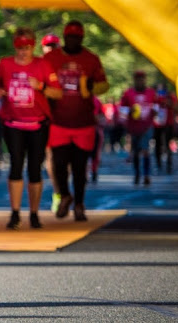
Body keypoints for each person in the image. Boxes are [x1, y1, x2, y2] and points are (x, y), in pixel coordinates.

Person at [0, 27, 62, 229]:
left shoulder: (43, 65)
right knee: (15, 165)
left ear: (33, 47)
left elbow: (57, 93)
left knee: (34, 168)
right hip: (13, 122)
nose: (24, 52)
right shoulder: (5, 64)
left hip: (38, 123)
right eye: (20, 47)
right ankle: (15, 213)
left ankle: (33, 213)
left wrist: (40, 87)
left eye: (28, 47)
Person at [44, 20, 109, 222]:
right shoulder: (52, 58)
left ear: (82, 38)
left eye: (77, 37)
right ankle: (65, 195)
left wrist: (92, 86)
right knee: (59, 163)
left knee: (80, 167)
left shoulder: (91, 59)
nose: (73, 40)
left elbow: (104, 85)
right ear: (65, 37)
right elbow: (43, 82)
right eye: (70, 36)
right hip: (58, 121)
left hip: (84, 123)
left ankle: (80, 204)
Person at [120, 71, 157, 185]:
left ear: (145, 80)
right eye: (138, 79)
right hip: (133, 127)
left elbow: (156, 106)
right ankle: (137, 174)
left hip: (147, 126)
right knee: (135, 152)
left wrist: (155, 112)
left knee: (145, 150)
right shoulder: (128, 93)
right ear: (134, 80)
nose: (140, 81)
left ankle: (146, 175)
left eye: (142, 79)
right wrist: (129, 111)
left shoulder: (151, 93)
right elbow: (122, 109)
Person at [41, 33, 61, 210]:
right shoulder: (39, 66)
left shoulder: (66, 65)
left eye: (54, 45)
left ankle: (65, 188)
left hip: (68, 118)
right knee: (52, 156)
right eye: (48, 46)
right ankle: (58, 192)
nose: (51, 49)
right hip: (47, 118)